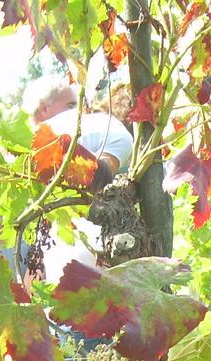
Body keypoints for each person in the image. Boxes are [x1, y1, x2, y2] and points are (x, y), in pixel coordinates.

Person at [24, 82, 134, 285]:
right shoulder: (115, 134)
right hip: (76, 245)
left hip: (47, 227)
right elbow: (102, 173)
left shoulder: (86, 122)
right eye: (71, 105)